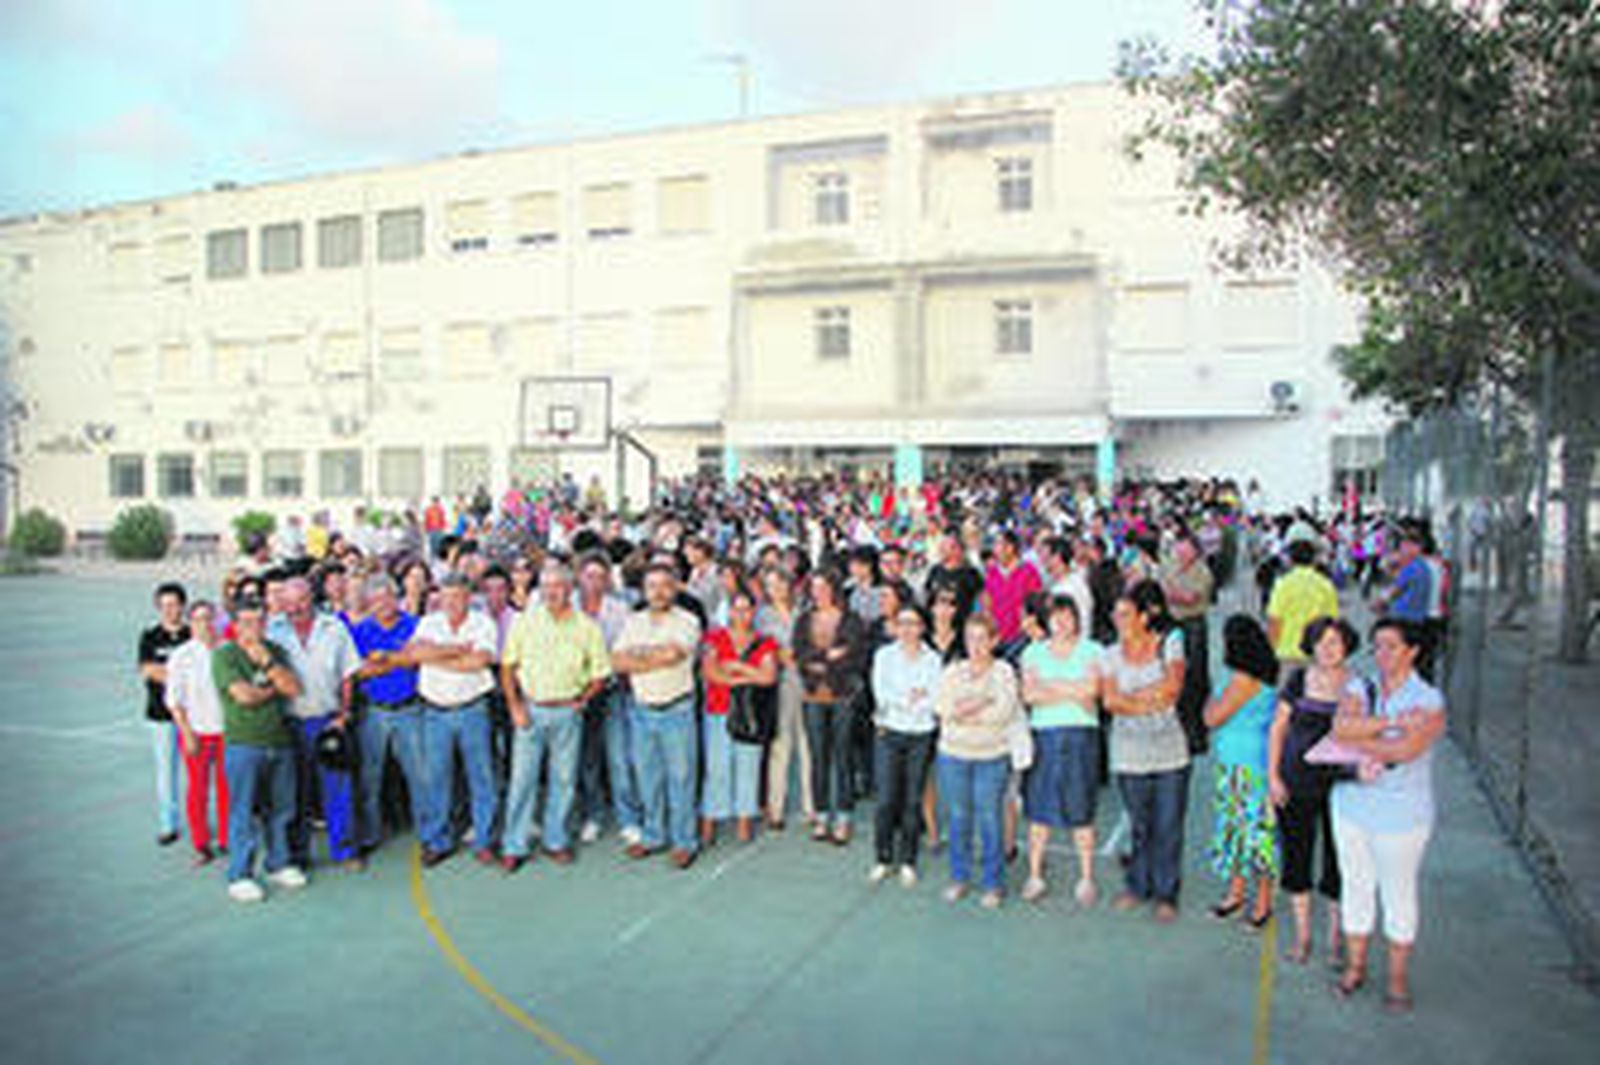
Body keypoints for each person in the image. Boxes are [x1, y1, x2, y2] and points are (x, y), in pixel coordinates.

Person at [1331, 618, 1447, 1013]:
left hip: (1403, 814)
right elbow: (1340, 728)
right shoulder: (1359, 686)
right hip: (1351, 806)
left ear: (1413, 651)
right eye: (1377, 646)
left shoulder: (1429, 699)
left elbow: (1406, 753)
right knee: (1356, 886)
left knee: (1398, 892)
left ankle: (1397, 978)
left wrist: (1362, 737)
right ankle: (1355, 965)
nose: (1381, 655)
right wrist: (1393, 723)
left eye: (1392, 647)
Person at [499, 561, 612, 870]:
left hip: (567, 712)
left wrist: (582, 699)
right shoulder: (525, 622)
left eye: (558, 587)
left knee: (564, 780)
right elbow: (507, 666)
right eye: (546, 587)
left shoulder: (587, 627)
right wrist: (515, 706)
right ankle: (514, 844)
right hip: (531, 710)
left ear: (570, 590)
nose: (552, 593)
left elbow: (601, 673)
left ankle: (555, 840)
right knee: (523, 779)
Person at [1268, 616, 1358, 967]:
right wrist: (1274, 777)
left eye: (1334, 642)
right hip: (1298, 782)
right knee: (1297, 857)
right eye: (1320, 642)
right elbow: (1278, 729)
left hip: (1343, 787)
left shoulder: (1358, 686)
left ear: (1347, 646)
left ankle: (1335, 940)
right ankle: (1304, 937)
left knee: (1340, 862)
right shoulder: (1298, 680)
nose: (1327, 648)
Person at [1102, 580, 1190, 923]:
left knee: (1168, 824)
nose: (1118, 620)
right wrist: (1149, 699)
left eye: (1125, 614)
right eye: (1116, 614)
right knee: (1141, 824)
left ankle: (1166, 892)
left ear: (1143, 616)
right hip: (1129, 752)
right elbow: (1109, 701)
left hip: (1171, 750)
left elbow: (1173, 690)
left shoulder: (1170, 643)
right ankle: (1138, 884)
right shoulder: (1109, 654)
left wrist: (1131, 701)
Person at [613, 563, 703, 868]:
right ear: (644, 590)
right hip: (641, 709)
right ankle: (653, 836)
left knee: (681, 777)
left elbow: (674, 655)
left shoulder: (688, 620)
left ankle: (684, 841)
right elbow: (617, 662)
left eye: (665, 585)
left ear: (675, 587)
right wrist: (654, 657)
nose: (659, 592)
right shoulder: (632, 621)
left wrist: (638, 656)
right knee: (647, 777)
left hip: (676, 708)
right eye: (652, 586)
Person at [268, 578, 362, 872]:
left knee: (338, 790)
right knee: (294, 793)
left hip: (327, 720)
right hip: (290, 723)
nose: (295, 608)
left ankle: (345, 850)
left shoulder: (334, 628)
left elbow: (348, 674)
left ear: (312, 598)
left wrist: (344, 715)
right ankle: (297, 855)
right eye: (289, 602)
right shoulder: (273, 631)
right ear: (282, 604)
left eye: (301, 600)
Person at [213, 598, 304, 903]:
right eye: (247, 622)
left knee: (281, 809)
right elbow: (244, 696)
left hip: (279, 742)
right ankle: (240, 874)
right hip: (244, 744)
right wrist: (272, 687)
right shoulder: (225, 656)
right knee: (243, 812)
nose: (255, 628)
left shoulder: (275, 652)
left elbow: (293, 688)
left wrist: (267, 663)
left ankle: (278, 863)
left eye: (260, 621)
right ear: (235, 626)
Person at [933, 613, 1025, 909]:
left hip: (991, 756)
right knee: (959, 817)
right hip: (953, 755)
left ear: (995, 641)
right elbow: (943, 707)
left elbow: (1003, 711)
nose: (976, 645)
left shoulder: (1004, 672)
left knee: (989, 818)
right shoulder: (952, 671)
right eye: (971, 638)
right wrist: (982, 702)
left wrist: (965, 709)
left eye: (983, 639)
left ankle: (992, 883)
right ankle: (959, 878)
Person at [410, 573, 500, 867]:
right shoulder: (428, 622)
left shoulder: (483, 622)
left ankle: (484, 840)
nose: (452, 602)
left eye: (458, 596)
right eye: (446, 597)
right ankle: (438, 840)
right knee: (436, 778)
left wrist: (434, 656)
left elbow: (480, 661)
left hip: (473, 709)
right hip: (435, 711)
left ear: (469, 597)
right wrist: (455, 651)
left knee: (482, 776)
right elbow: (414, 653)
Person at [1018, 595, 1102, 906]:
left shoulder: (1093, 649)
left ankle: (1086, 877)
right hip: (1044, 734)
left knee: (1082, 808)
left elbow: (1092, 691)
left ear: (1077, 619)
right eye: (1055, 617)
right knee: (1039, 809)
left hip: (1082, 734)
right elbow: (1029, 694)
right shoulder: (1032, 652)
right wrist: (1072, 689)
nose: (1061, 623)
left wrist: (1050, 686)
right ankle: (1035, 875)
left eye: (1067, 616)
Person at [1203, 614, 1282, 928]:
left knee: (1249, 829)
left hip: (1243, 764)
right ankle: (1241, 895)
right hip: (1245, 760)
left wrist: (1209, 706)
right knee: (1243, 828)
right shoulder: (1260, 676)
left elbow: (1212, 717)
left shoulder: (1242, 681)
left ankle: (1258, 901)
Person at [350, 574, 427, 856]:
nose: (383, 604)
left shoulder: (415, 625)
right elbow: (358, 672)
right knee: (370, 777)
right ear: (369, 603)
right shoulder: (360, 630)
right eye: (376, 600)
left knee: (420, 775)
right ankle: (370, 833)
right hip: (374, 712)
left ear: (397, 598)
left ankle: (427, 831)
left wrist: (383, 658)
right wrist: (398, 659)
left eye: (388, 598)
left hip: (410, 709)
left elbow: (417, 660)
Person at [868, 604, 942, 886]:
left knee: (913, 800)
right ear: (895, 627)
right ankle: (883, 857)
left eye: (914, 623)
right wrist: (911, 697)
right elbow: (882, 694)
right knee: (886, 799)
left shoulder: (933, 660)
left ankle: (908, 860)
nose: (908, 629)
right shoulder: (884, 656)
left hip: (921, 734)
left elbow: (934, 699)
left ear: (923, 627)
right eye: (903, 623)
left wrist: (911, 699)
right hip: (889, 732)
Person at [793, 569, 869, 845]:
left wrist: (822, 661)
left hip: (843, 697)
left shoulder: (851, 620)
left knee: (843, 757)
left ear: (834, 588)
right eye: (814, 587)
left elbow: (857, 656)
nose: (819, 592)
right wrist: (831, 656)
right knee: (818, 757)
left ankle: (844, 816)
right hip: (813, 696)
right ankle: (822, 814)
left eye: (824, 586)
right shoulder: (804, 620)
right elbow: (800, 654)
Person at [700, 589, 779, 845]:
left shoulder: (764, 641)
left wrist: (735, 668)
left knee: (749, 765)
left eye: (747, 609)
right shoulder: (715, 638)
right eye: (737, 609)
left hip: (750, 712)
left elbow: (768, 677)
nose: (742, 614)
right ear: (730, 611)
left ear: (754, 612)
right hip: (719, 710)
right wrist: (748, 677)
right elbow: (710, 672)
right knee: (717, 767)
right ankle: (711, 817)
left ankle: (745, 818)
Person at [573, 552, 640, 846]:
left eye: (601, 576)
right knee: (587, 760)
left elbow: (624, 651)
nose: (595, 582)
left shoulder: (619, 608)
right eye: (589, 576)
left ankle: (628, 818)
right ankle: (593, 815)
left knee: (619, 758)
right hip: (577, 693)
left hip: (612, 691)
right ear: (579, 578)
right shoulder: (569, 607)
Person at [164, 600, 228, 866]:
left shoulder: (228, 650)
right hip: (196, 733)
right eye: (199, 619)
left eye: (209, 618)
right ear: (191, 623)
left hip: (226, 732)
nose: (205, 624)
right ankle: (201, 843)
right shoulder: (181, 655)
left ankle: (226, 839)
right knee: (198, 790)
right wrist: (187, 733)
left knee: (227, 789)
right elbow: (174, 700)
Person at [758, 565, 814, 831]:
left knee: (807, 744)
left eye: (780, 583)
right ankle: (776, 808)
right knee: (781, 744)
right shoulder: (762, 616)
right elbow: (765, 650)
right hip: (779, 684)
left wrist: (797, 656)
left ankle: (811, 806)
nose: (775, 589)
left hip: (808, 681)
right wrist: (782, 655)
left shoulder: (805, 611)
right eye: (770, 585)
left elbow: (813, 645)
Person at [137, 581, 191, 848]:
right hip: (161, 716)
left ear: (183, 606)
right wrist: (183, 678)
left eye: (175, 604)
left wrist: (170, 675)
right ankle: (168, 824)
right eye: (165, 606)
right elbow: (148, 670)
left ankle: (199, 820)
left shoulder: (193, 634)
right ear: (158, 608)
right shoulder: (150, 636)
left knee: (198, 773)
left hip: (193, 716)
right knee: (166, 773)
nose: (170, 610)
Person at [1161, 530, 1215, 756]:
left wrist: (1171, 592)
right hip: (1173, 623)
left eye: (1184, 548)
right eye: (1178, 547)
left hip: (1193, 624)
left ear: (1194, 551)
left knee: (1194, 677)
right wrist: (1173, 593)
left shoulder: (1202, 572)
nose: (1179, 552)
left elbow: (1189, 598)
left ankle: (1197, 734)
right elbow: (1165, 590)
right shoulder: (1171, 565)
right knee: (1174, 674)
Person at [1267, 539, 1340, 667]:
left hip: (1287, 653)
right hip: (1316, 653)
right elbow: (1332, 621)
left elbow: (1275, 621)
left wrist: (1270, 650)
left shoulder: (1283, 584)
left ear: (1290, 560)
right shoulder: (1325, 585)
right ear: (1314, 560)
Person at [983, 529, 1042, 657]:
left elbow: (1036, 604)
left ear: (1010, 547)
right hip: (998, 639)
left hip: (1021, 638)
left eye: (998, 544)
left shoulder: (1029, 571)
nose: (995, 550)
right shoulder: (991, 573)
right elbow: (987, 604)